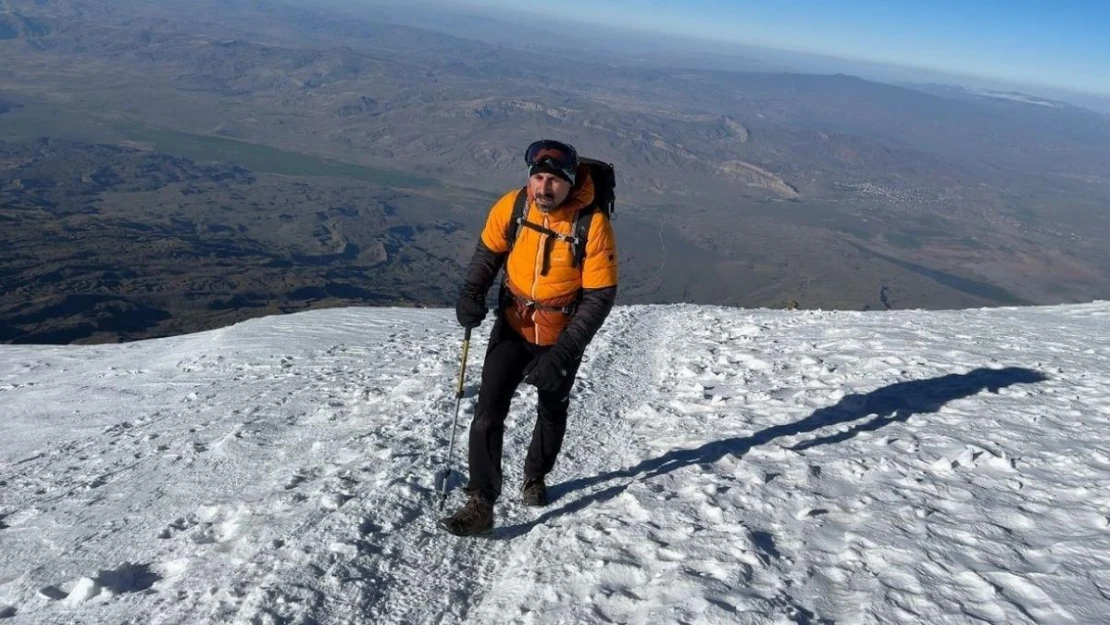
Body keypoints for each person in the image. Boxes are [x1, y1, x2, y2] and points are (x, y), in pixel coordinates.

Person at [438, 139, 619, 536]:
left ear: (570, 184)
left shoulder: (592, 224)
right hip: (514, 324)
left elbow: (600, 296)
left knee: (551, 410)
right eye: (537, 178)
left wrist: (564, 353)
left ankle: (535, 476)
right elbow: (489, 252)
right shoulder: (514, 206)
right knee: (488, 412)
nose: (543, 188)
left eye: (553, 181)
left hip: (561, 334)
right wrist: (471, 293)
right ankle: (481, 501)